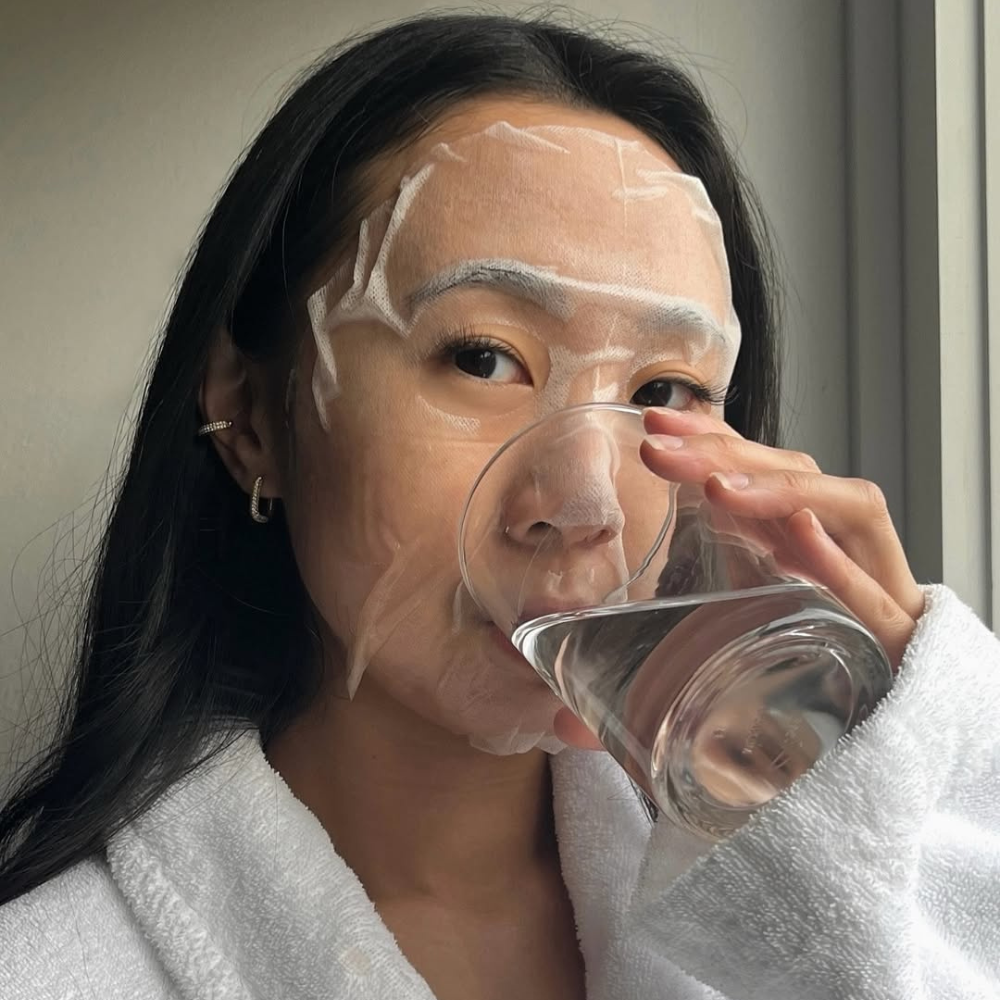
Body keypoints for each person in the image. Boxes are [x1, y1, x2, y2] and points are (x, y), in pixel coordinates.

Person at [1, 12, 998, 1000]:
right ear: (252, 412)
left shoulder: (802, 922)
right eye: (482, 357)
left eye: (661, 392)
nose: (583, 501)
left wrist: (926, 760)